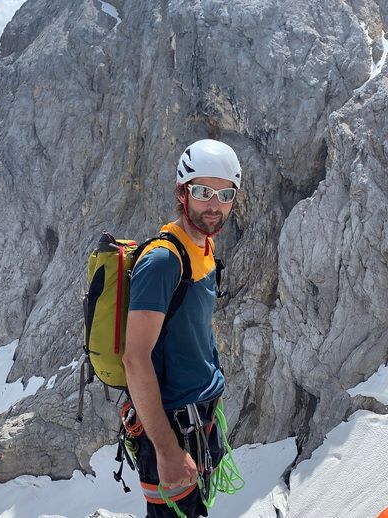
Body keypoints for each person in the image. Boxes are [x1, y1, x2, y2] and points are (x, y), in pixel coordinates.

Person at [121, 139, 241, 517]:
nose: (214, 204)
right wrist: (168, 450)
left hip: (198, 418)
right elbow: (135, 359)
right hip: (171, 428)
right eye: (202, 191)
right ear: (181, 192)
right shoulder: (162, 261)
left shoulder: (201, 247)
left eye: (224, 194)